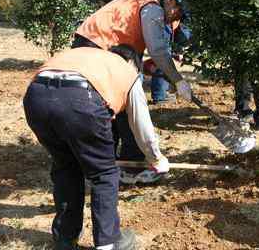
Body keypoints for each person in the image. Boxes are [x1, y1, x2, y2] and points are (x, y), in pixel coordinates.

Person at [23, 44, 169, 250]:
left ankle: (65, 239)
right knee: (104, 173)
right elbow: (140, 123)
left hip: (36, 98)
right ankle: (108, 243)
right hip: (80, 100)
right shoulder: (127, 71)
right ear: (134, 64)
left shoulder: (86, 56)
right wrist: (156, 159)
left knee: (66, 167)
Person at [72, 0, 193, 183]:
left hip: (96, 46)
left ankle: (108, 163)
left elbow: (140, 50)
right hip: (98, 47)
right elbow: (158, 51)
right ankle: (129, 167)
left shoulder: (141, 4)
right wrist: (177, 80)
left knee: (110, 107)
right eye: (178, 13)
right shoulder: (152, 9)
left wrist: (147, 67)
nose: (175, 18)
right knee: (126, 108)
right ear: (169, 1)